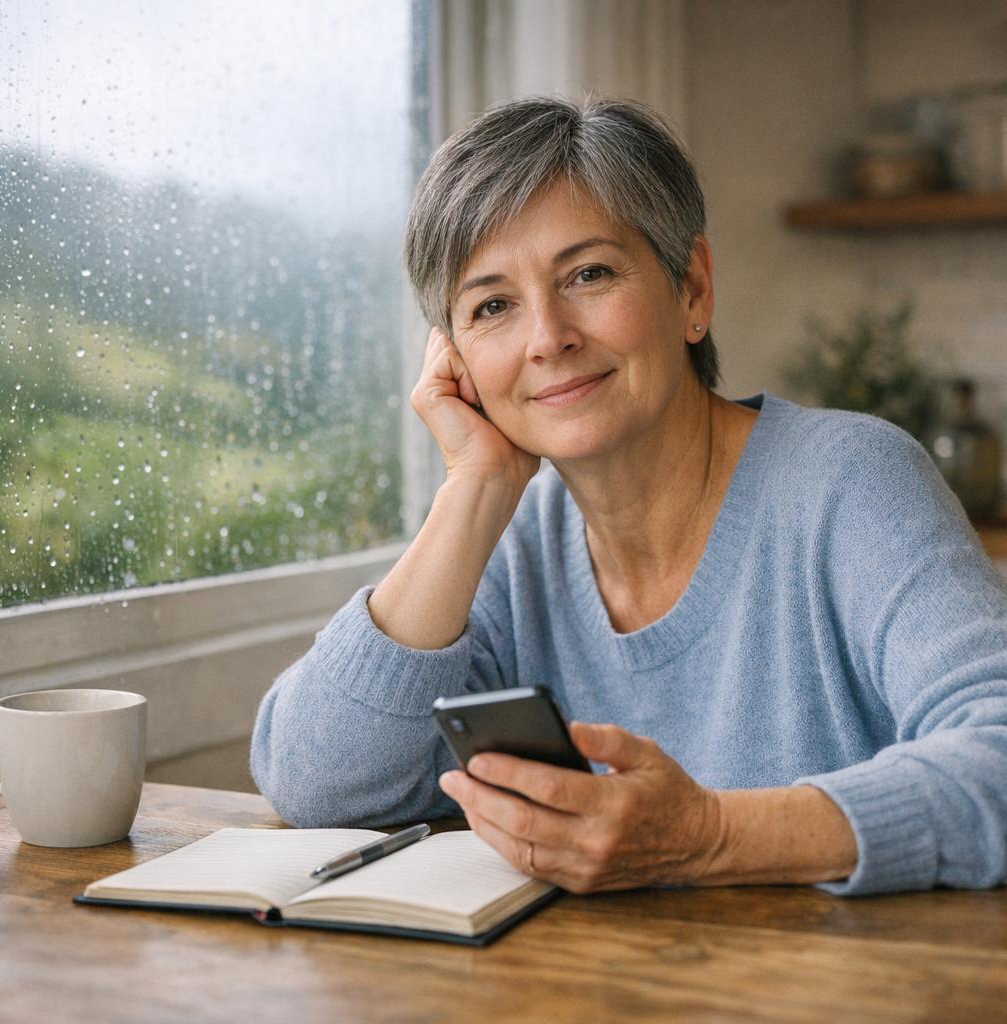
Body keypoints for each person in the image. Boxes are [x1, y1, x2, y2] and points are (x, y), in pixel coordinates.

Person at [251, 96, 1007, 896]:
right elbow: (317, 785)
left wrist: (710, 837)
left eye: (589, 273)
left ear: (692, 290)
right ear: (457, 363)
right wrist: (471, 494)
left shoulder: (852, 481)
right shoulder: (515, 542)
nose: (548, 337)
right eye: (493, 306)